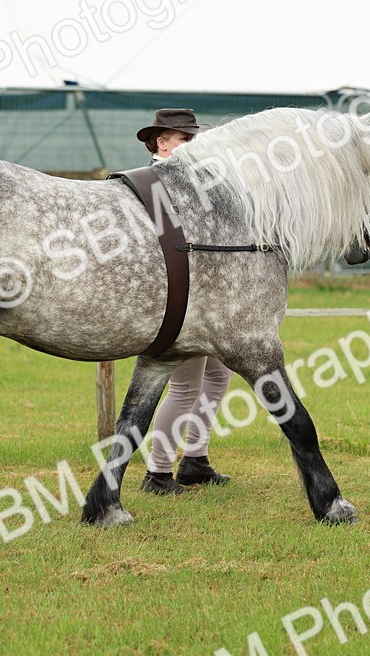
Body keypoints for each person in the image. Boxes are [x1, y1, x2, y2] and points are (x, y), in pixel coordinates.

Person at [134, 109, 234, 494]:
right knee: (184, 388)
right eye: (185, 139)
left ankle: (195, 459)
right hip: (182, 302)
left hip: (205, 297)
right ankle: (158, 473)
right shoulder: (155, 184)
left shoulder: (189, 180)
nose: (194, 146)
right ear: (162, 143)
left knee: (218, 375)